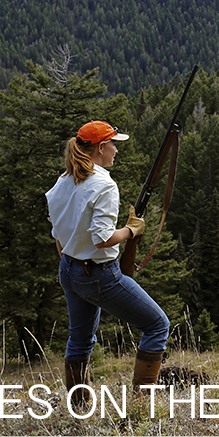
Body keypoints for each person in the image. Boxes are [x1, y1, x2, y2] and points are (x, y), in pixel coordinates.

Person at [46, 120, 169, 407]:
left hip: (69, 269)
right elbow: (102, 239)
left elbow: (58, 235)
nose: (116, 150)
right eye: (114, 144)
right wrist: (132, 231)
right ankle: (141, 404)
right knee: (157, 326)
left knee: (80, 340)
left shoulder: (64, 180)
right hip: (99, 274)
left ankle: (78, 408)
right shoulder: (104, 185)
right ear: (101, 148)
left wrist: (71, 259)